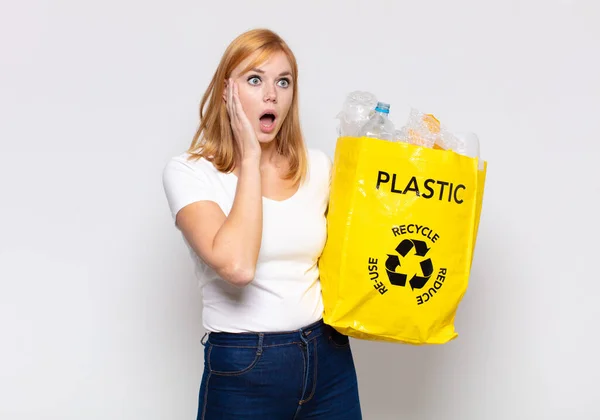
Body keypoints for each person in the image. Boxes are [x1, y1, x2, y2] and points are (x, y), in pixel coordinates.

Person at [162, 28, 362, 419]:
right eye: (255, 79)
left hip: (329, 357)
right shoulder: (191, 173)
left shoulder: (317, 167)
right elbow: (237, 266)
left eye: (283, 82)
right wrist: (250, 158)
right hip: (246, 368)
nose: (272, 94)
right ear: (226, 91)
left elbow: (366, 239)